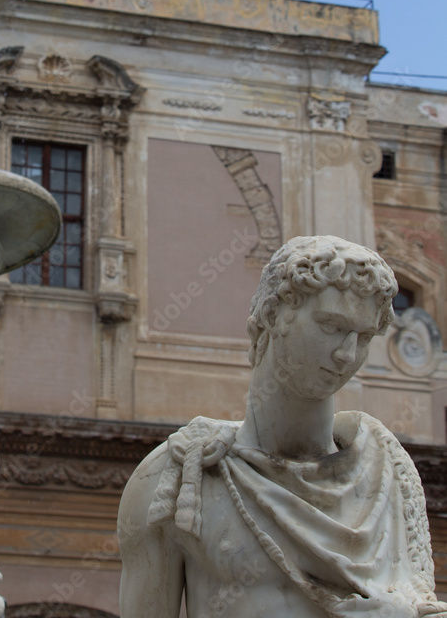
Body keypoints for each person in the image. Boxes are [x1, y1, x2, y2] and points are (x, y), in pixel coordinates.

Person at [118, 236, 447, 618]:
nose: (346, 354)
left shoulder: (389, 478)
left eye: (364, 338)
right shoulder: (179, 478)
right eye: (331, 326)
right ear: (274, 313)